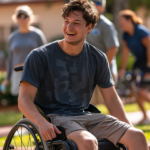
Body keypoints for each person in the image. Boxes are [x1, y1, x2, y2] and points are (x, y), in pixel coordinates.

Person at [18, 1, 148, 150]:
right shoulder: (40, 56)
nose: (69, 27)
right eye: (66, 21)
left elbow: (111, 99)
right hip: (54, 117)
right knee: (88, 142)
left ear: (89, 28)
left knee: (137, 137)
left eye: (76, 23)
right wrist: (41, 122)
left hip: (86, 116)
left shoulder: (98, 58)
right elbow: (24, 99)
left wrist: (127, 127)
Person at [1, 5, 46, 97]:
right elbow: (10, 59)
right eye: (19, 16)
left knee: (35, 99)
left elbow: (45, 55)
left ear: (30, 17)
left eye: (25, 15)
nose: (22, 18)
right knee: (21, 101)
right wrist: (7, 78)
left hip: (34, 71)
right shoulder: (12, 37)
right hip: (17, 73)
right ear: (16, 18)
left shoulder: (37, 34)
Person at [118, 10, 150, 124]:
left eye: (121, 20)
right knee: (134, 88)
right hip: (140, 63)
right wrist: (122, 69)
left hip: (148, 62)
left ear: (129, 20)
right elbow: (125, 52)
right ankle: (146, 117)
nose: (119, 23)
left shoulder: (140, 31)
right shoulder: (125, 34)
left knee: (140, 89)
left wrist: (148, 67)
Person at [86, 0, 119, 105]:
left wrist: (102, 69)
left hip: (105, 71)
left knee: (110, 104)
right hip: (90, 70)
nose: (95, 4)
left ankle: (120, 122)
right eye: (93, 2)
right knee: (90, 105)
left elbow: (113, 48)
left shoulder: (106, 25)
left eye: (98, 3)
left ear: (103, 8)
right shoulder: (85, 23)